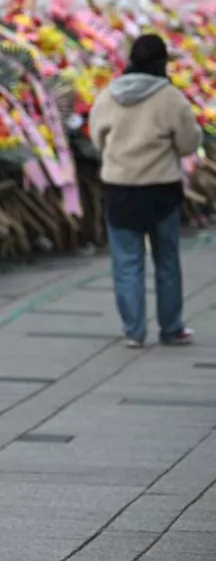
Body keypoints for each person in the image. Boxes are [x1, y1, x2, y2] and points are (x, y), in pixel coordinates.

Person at [89, 33, 201, 348]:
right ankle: (171, 328)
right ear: (162, 62)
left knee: (127, 262)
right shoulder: (170, 98)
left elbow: (97, 138)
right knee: (166, 261)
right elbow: (189, 143)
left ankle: (133, 331)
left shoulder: (108, 95)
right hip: (161, 190)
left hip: (120, 189)